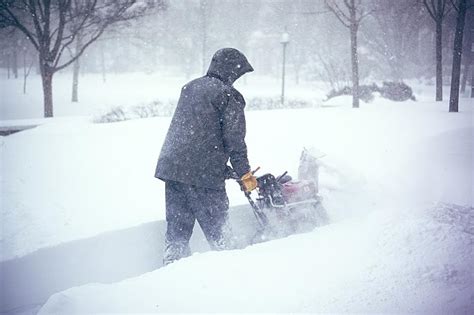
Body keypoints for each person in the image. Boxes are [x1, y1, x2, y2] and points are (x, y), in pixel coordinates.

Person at [155, 48, 257, 265]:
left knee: (177, 236)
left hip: (173, 168)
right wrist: (245, 175)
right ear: (231, 70)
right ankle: (231, 273)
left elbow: (199, 133)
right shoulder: (228, 95)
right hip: (203, 176)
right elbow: (235, 142)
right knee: (221, 237)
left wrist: (227, 170)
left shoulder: (190, 87)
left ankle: (170, 272)